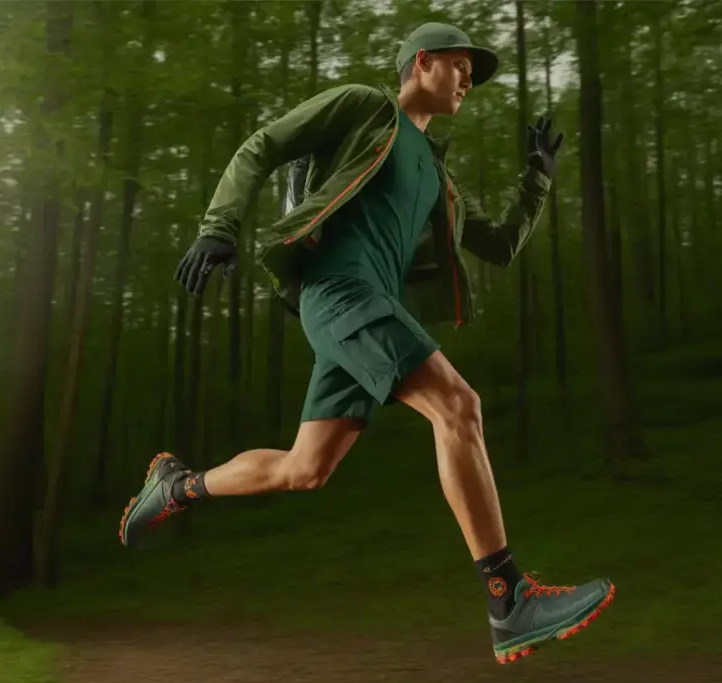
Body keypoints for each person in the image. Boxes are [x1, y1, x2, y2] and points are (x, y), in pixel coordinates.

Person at [118, 22, 614, 664]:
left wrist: (538, 181)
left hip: (363, 312)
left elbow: (497, 245)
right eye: (462, 67)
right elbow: (263, 145)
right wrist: (220, 224)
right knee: (458, 407)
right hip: (338, 293)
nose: (469, 80)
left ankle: (179, 485)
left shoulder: (439, 178)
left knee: (306, 468)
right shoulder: (366, 108)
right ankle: (508, 600)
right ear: (422, 62)